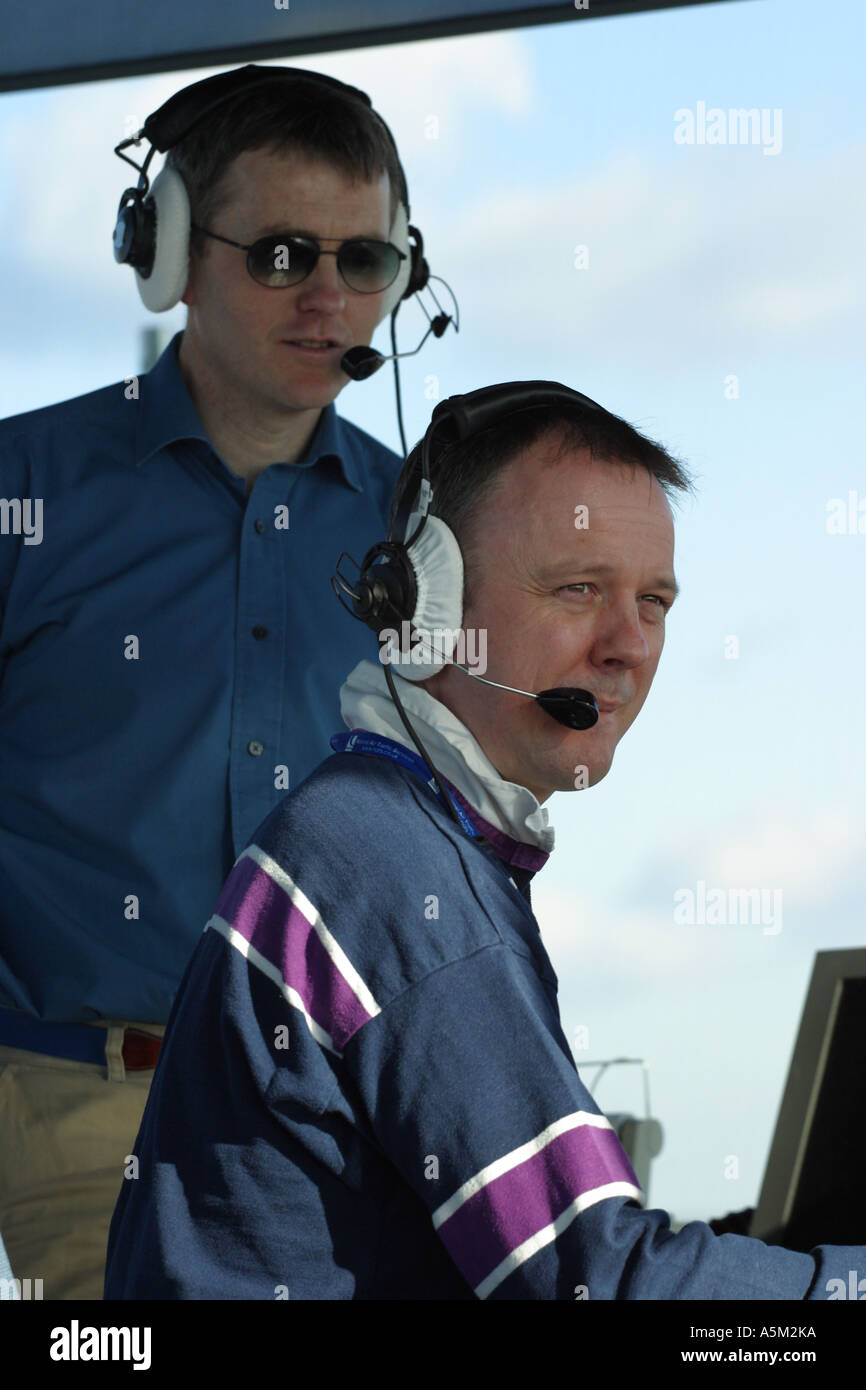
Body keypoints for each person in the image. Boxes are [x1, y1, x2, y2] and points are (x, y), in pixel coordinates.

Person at [104, 382, 862, 1299]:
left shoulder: (387, 830)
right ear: (425, 607)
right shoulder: (390, 865)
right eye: (578, 588)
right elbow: (598, 1284)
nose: (630, 644)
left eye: (655, 601)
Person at [0, 63, 434, 1300]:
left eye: (366, 262)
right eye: (286, 253)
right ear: (170, 250)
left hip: (361, 1123)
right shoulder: (18, 495)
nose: (330, 300)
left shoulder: (432, 535)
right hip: (82, 1106)